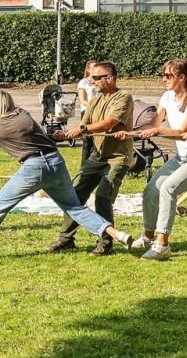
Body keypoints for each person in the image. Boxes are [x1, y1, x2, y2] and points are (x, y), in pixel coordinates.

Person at [0, 91, 139, 260]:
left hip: (33, 167)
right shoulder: (24, 114)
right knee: (74, 208)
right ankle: (115, 233)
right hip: (56, 162)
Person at [124, 58, 187, 261]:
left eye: (168, 75)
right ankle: (148, 237)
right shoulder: (166, 97)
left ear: (181, 77)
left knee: (168, 188)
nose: (164, 79)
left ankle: (162, 244)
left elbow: (183, 132)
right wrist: (130, 133)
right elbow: (154, 123)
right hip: (181, 158)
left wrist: (157, 131)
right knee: (150, 190)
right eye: (163, 75)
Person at [48, 60, 134, 256]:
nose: (92, 81)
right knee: (74, 194)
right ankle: (66, 239)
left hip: (117, 158)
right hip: (97, 157)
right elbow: (84, 125)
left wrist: (83, 129)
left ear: (110, 78)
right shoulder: (96, 99)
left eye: (96, 77)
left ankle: (105, 242)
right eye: (91, 77)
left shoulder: (124, 97)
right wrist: (67, 133)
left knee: (103, 196)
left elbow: (109, 123)